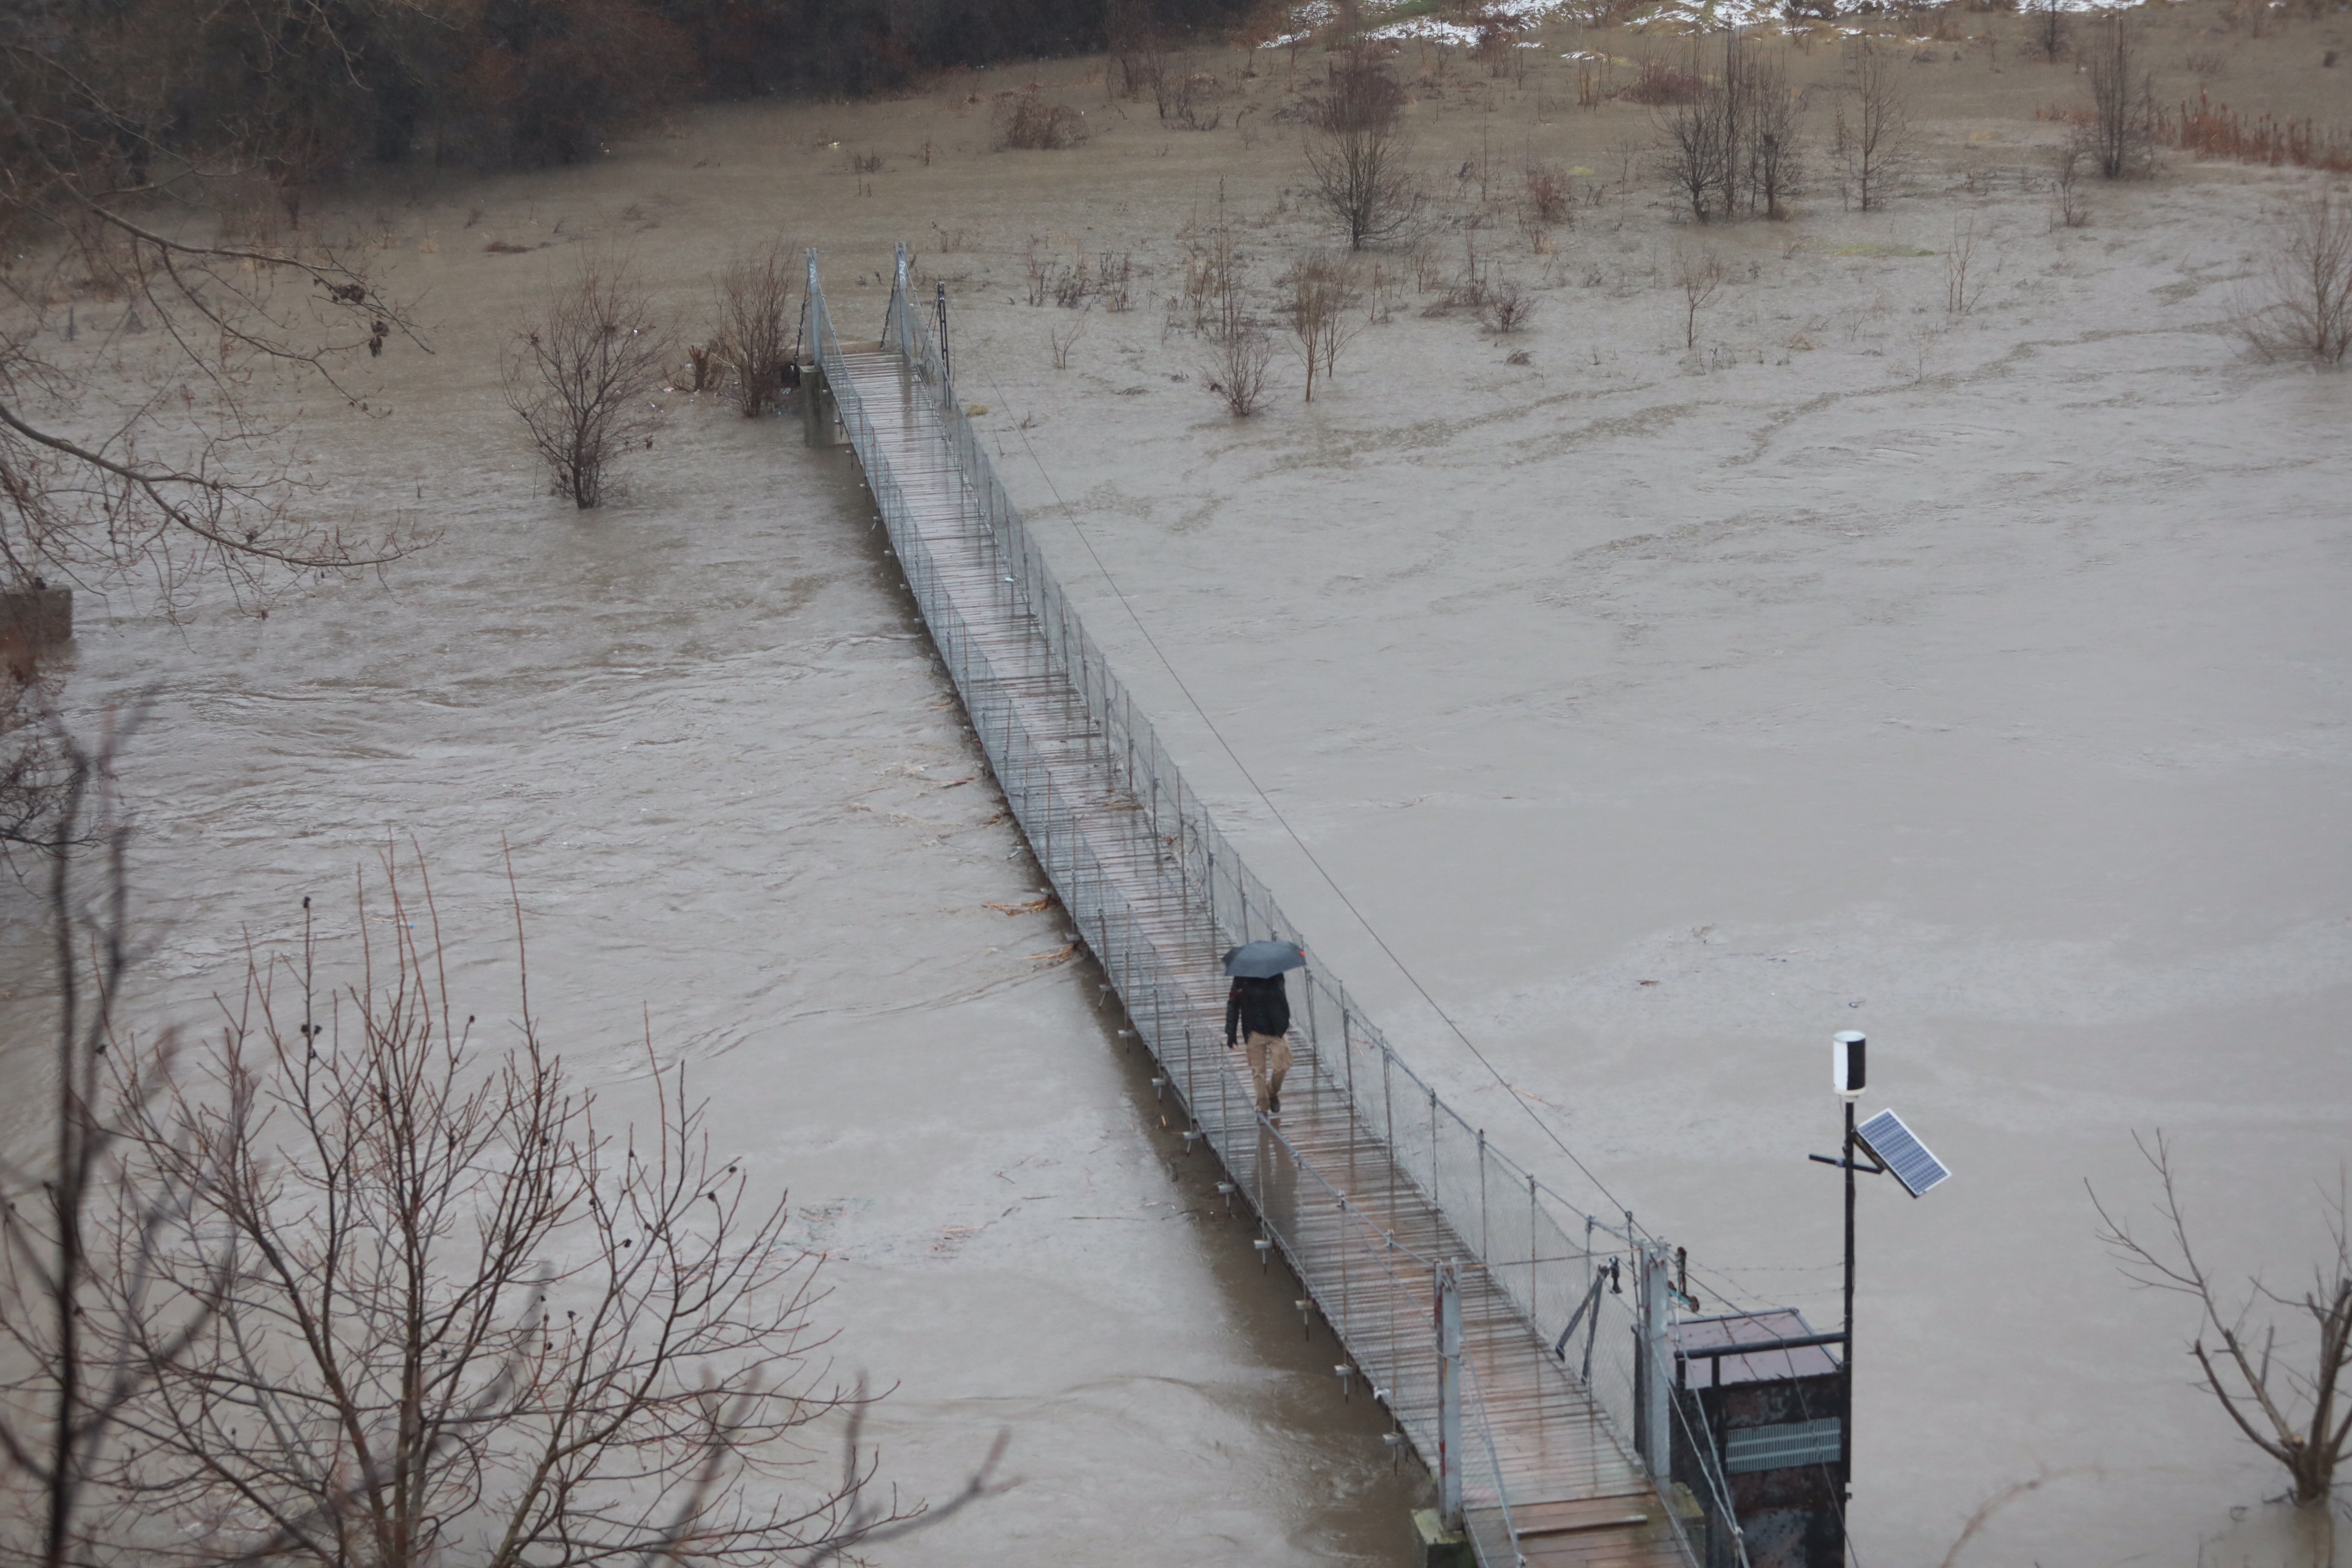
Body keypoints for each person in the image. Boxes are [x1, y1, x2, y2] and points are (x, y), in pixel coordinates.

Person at [1224, 972, 1292, 1121]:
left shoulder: (1276, 974)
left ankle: (1272, 1092)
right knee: (1258, 1071)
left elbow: (1280, 995)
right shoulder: (1241, 978)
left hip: (1277, 1031)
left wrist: (1263, 985)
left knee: (1282, 1066)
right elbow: (1233, 1004)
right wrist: (1231, 1032)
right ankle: (1262, 1107)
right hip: (1254, 1032)